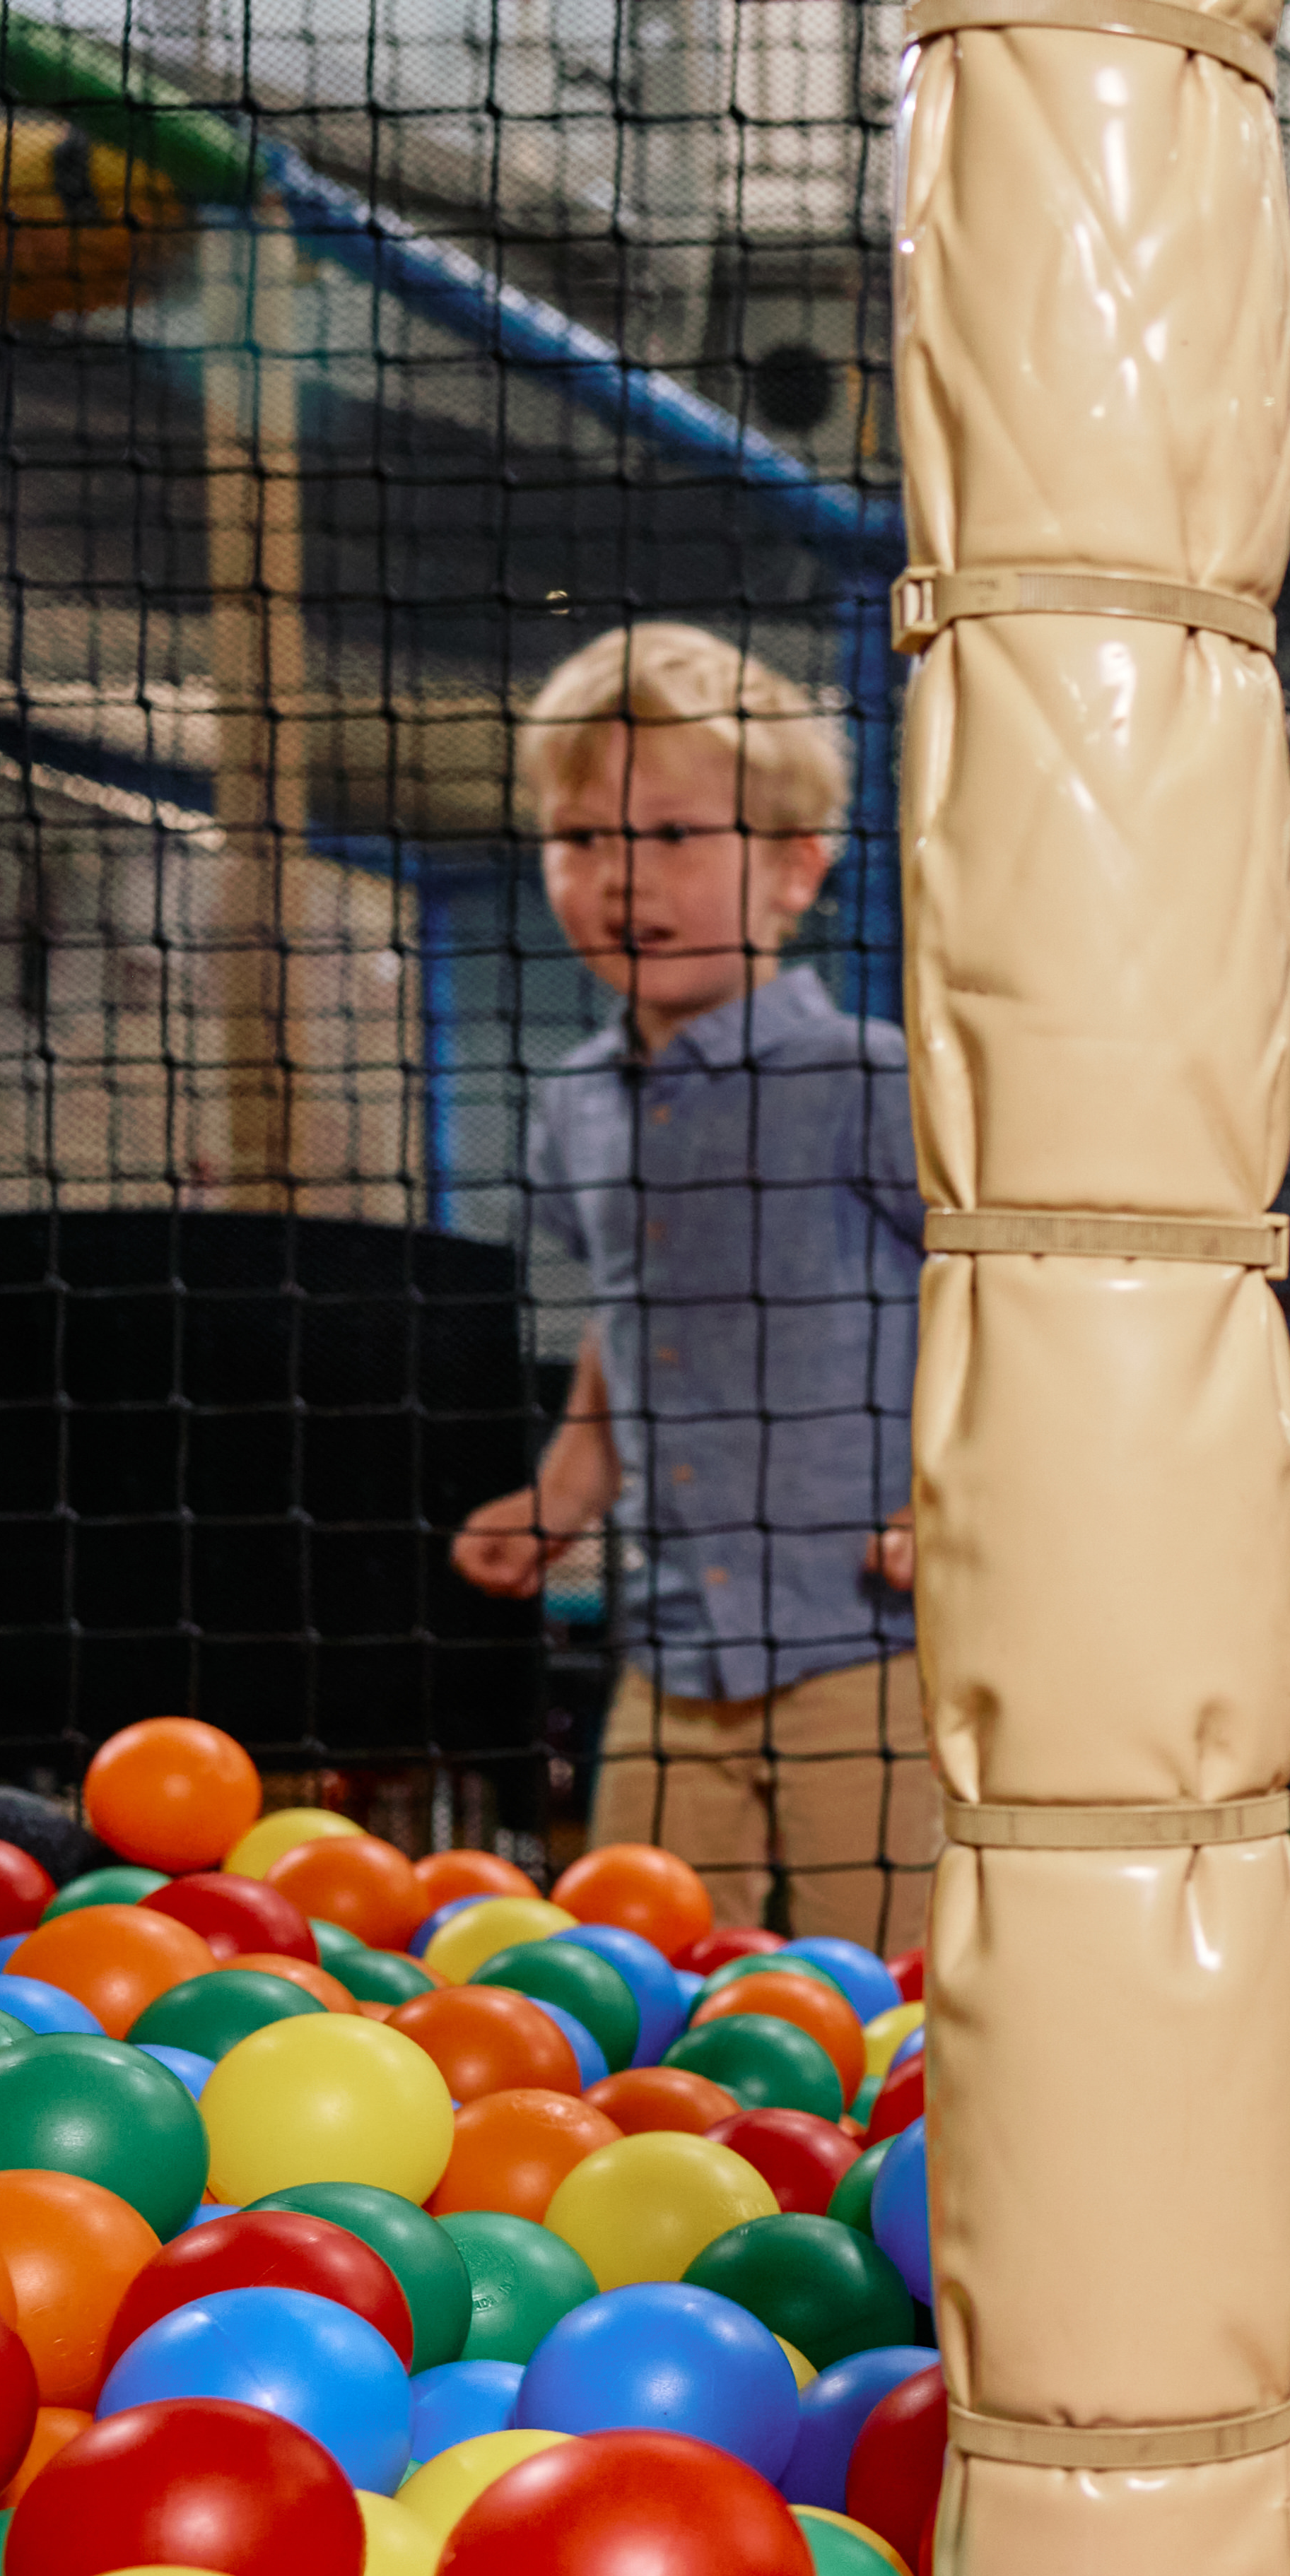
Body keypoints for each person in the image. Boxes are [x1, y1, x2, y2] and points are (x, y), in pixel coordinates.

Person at [453, 624, 933, 1954]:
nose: (619, 879)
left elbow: (995, 1297)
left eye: (671, 836)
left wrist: (957, 1492)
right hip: (669, 1647)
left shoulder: (866, 1080)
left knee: (896, 1998)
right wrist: (568, 1483)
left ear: (794, 870)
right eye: (581, 840)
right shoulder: (575, 1106)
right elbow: (632, 1312)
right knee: (636, 1977)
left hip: (872, 1641)